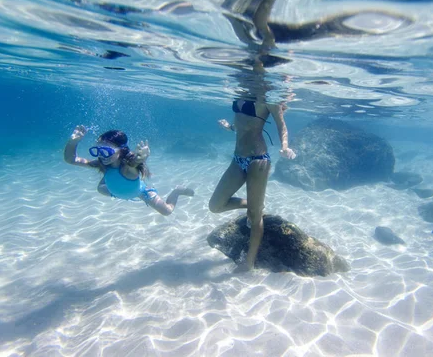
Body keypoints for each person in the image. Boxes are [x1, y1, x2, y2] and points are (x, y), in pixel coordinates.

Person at [209, 63, 296, 271]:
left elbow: (282, 127)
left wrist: (285, 146)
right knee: (215, 205)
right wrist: (229, 127)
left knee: (255, 217)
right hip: (237, 159)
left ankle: (249, 263)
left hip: (258, 160)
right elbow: (242, 123)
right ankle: (254, 203)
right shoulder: (241, 91)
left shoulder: (269, 99)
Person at [64, 126, 193, 215]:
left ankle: (177, 191)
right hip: (118, 190)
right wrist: (72, 142)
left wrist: (140, 159)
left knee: (167, 211)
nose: (102, 155)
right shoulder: (103, 163)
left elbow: (134, 164)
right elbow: (71, 159)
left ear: (122, 150)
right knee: (101, 187)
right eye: (98, 151)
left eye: (106, 151)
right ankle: (111, 180)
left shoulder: (128, 169)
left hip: (140, 192)